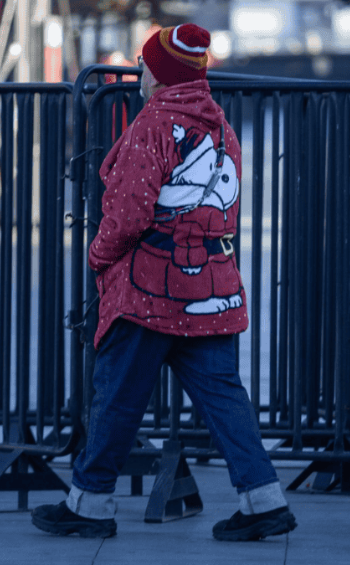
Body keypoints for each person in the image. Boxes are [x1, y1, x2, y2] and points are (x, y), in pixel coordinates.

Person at [31, 23, 297, 542]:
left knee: (118, 395)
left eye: (145, 62)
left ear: (160, 72)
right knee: (224, 397)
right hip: (211, 289)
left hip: (150, 289)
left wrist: (97, 253)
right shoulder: (219, 126)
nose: (140, 69)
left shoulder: (154, 126)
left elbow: (129, 214)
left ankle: (89, 505)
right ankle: (264, 499)